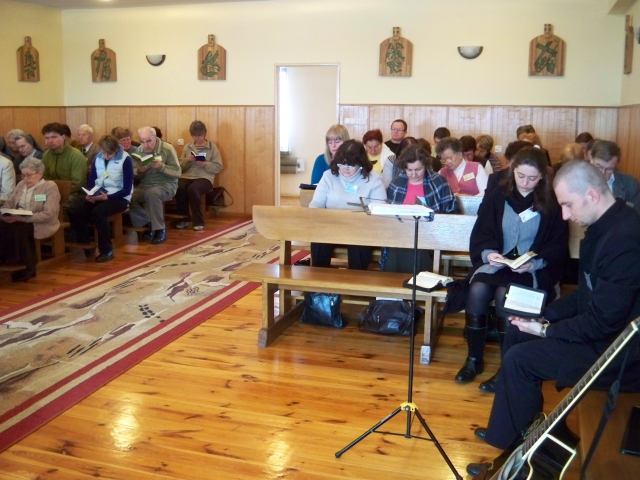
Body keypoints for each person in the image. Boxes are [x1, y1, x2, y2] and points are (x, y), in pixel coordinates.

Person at [467, 161, 640, 475]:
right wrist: (542, 314)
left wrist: (546, 330)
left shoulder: (624, 238)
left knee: (520, 360)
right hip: (603, 334)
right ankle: (514, 440)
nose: (564, 215)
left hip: (619, 354)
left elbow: (602, 322)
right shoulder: (605, 226)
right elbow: (587, 294)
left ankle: (517, 462)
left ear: (592, 195)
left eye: (567, 205)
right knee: (518, 331)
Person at [455, 147, 568, 392]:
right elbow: (483, 230)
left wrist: (534, 262)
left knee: (504, 294)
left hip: (532, 269)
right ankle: (474, 358)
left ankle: (507, 366)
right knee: (477, 289)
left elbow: (557, 245)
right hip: (500, 262)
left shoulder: (550, 201)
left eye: (532, 178)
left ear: (542, 177)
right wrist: (489, 253)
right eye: (520, 176)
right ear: (512, 171)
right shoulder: (499, 194)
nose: (525, 183)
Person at [309, 140, 386, 269]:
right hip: (331, 226)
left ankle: (356, 279)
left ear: (361, 163)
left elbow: (379, 208)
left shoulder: (373, 179)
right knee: (319, 239)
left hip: (360, 228)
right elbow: (316, 204)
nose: (345, 169)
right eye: (341, 164)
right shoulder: (328, 176)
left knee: (359, 243)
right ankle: (319, 279)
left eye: (350, 165)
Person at [384, 144, 457, 273]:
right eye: (409, 170)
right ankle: (394, 282)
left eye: (418, 169)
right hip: (400, 233)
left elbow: (451, 212)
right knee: (398, 246)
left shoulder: (438, 182)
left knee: (415, 247)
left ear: (425, 165)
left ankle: (417, 280)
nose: (413, 174)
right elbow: (387, 212)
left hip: (430, 234)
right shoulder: (397, 182)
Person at [68, 135, 133, 263]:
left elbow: (127, 189)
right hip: (100, 194)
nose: (106, 156)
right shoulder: (98, 158)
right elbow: (92, 182)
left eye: (110, 154)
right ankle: (86, 246)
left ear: (116, 150)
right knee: (77, 210)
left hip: (119, 197)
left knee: (99, 212)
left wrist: (107, 197)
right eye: (104, 153)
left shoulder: (126, 159)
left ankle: (106, 250)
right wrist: (91, 194)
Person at [0, 158, 60, 282]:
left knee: (18, 228)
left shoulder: (49, 186)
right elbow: (9, 203)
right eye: (23, 175)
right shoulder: (21, 185)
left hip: (40, 223)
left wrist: (23, 219)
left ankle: (26, 266)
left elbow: (49, 214)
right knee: (4, 224)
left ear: (40, 173)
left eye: (28, 175)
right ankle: (6, 260)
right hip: (18, 218)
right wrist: (5, 212)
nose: (25, 178)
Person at [129, 126, 181, 244]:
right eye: (142, 141)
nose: (146, 145)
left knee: (152, 193)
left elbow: (178, 173)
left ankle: (159, 230)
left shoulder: (167, 149)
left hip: (167, 185)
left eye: (149, 141)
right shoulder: (139, 151)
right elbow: (133, 174)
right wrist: (139, 170)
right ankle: (146, 224)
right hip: (146, 185)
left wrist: (161, 167)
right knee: (129, 196)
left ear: (155, 138)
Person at [176, 121, 223, 230]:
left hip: (205, 177)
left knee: (193, 189)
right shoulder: (188, 147)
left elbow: (218, 166)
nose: (198, 138)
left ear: (204, 134)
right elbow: (180, 168)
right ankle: (183, 219)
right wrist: (187, 160)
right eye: (195, 136)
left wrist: (205, 164)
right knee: (179, 186)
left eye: (200, 135)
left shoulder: (212, 147)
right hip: (187, 176)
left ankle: (198, 222)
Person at [41, 122, 87, 217]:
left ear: (63, 137)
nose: (50, 141)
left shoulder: (75, 155)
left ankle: (62, 227)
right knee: (34, 201)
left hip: (74, 194)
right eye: (47, 138)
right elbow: (44, 178)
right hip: (51, 192)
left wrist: (56, 193)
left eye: (54, 137)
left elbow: (77, 184)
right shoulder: (46, 155)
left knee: (53, 206)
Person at [589, 140, 640, 215]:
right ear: (591, 159)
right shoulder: (577, 181)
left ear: (616, 165)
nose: (603, 173)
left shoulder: (631, 184)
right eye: (599, 167)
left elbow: (636, 216)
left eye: (609, 169)